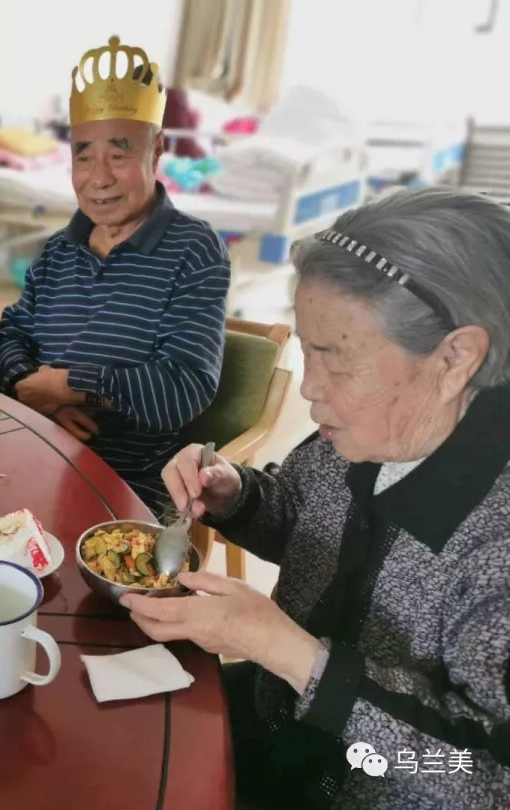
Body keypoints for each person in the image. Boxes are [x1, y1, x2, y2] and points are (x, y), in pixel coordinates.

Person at [125, 187, 510, 809]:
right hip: (274, 725)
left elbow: (489, 778)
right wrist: (235, 495)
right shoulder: (358, 434)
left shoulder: (496, 538)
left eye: (337, 361)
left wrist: (291, 654)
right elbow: (305, 526)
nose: (308, 390)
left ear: (455, 357)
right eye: (306, 352)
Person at [0, 36, 230, 511]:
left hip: (130, 486)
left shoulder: (195, 250)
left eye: (118, 155)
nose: (98, 178)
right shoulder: (59, 249)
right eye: (83, 155)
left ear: (156, 151)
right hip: (36, 451)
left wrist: (72, 386)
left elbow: (184, 389)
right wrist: (38, 394)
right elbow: (5, 342)